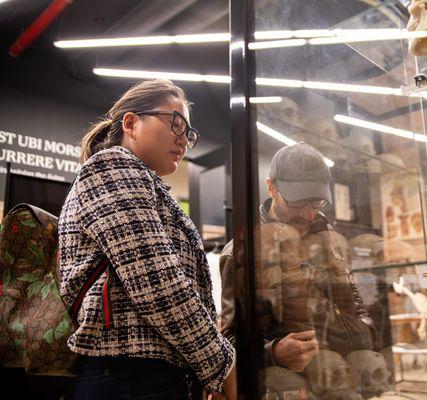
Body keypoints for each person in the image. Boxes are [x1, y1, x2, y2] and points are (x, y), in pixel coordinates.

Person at [58, 79, 235, 400]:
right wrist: (220, 364)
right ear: (131, 123)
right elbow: (157, 283)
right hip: (129, 372)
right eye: (176, 124)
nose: (184, 141)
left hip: (141, 373)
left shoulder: (144, 184)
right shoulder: (112, 168)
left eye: (189, 135)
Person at [220, 143, 374, 376]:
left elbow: (350, 296)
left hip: (351, 378)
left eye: (317, 202)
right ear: (271, 188)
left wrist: (365, 327)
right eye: (298, 201)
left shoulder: (328, 236)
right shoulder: (241, 252)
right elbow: (228, 341)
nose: (309, 213)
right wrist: (273, 353)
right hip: (297, 385)